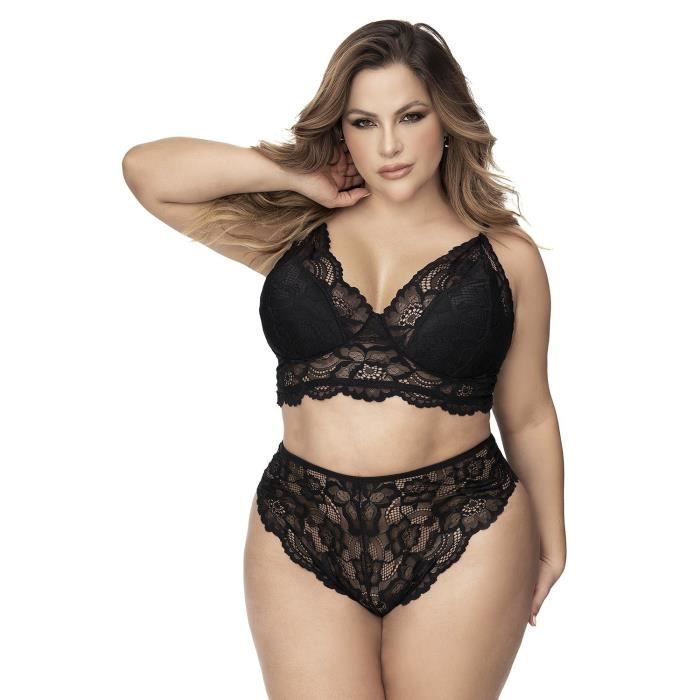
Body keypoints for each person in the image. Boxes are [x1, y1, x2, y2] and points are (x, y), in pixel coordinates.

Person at [122, 19, 566, 700]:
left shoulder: (506, 256)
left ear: (446, 118)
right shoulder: (292, 234)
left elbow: (528, 412)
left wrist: (553, 538)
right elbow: (147, 173)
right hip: (300, 521)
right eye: (363, 122)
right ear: (342, 131)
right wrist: (292, 173)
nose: (388, 145)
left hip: (463, 522)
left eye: (410, 116)